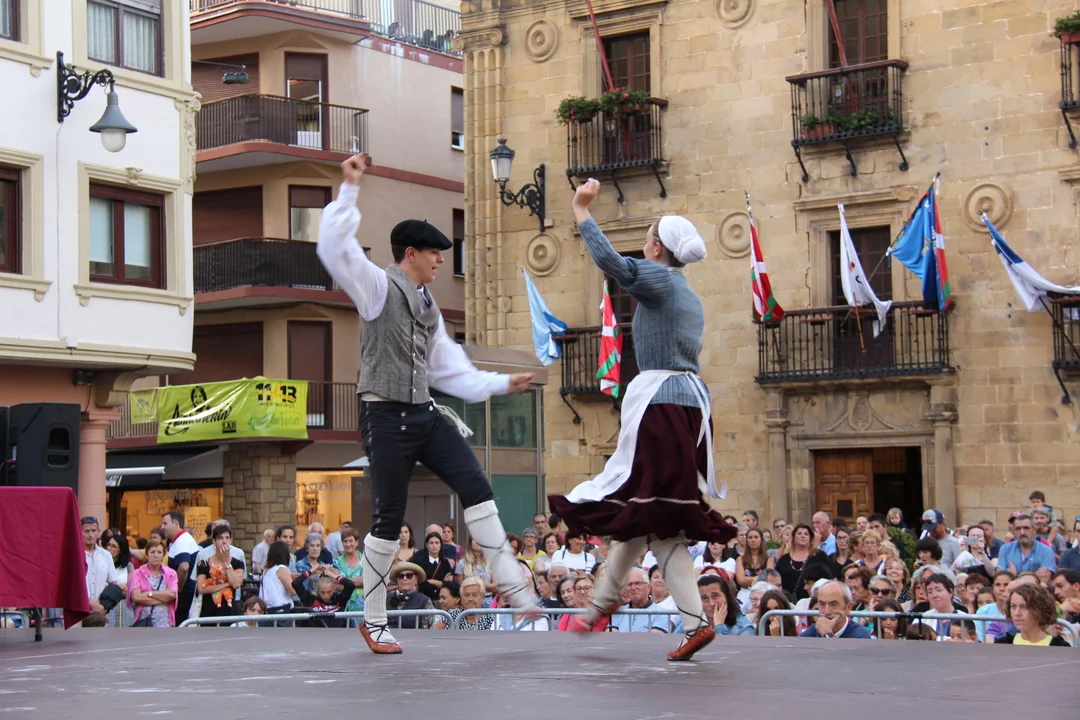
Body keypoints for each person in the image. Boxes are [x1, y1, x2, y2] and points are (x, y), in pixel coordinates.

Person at [316, 153, 539, 654]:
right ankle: (374, 620)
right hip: (384, 415)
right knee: (388, 520)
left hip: (423, 412)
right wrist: (349, 188)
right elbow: (334, 248)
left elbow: (446, 368)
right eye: (435, 253)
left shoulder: (427, 304)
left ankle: (513, 583)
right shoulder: (377, 286)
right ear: (411, 254)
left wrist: (500, 385)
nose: (442, 260)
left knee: (476, 484)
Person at [547, 178, 736, 662]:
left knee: (659, 519)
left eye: (648, 239)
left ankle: (688, 622)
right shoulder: (687, 292)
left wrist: (582, 212)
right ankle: (605, 606)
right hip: (686, 409)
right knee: (645, 512)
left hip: (662, 408)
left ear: (655, 248)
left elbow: (612, 264)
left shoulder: (660, 279)